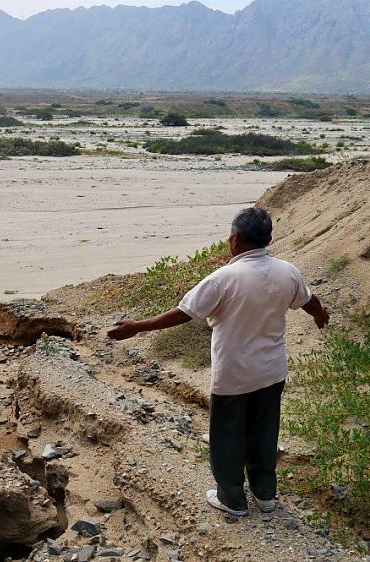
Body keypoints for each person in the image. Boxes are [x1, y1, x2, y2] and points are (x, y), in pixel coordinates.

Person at [107, 207, 329, 516]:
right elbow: (309, 301)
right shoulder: (287, 271)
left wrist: (137, 327)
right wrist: (321, 316)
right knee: (264, 432)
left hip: (234, 374)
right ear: (268, 238)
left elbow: (184, 313)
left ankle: (232, 498)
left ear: (235, 239)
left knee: (228, 435)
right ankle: (265, 495)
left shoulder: (223, 278)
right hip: (272, 370)